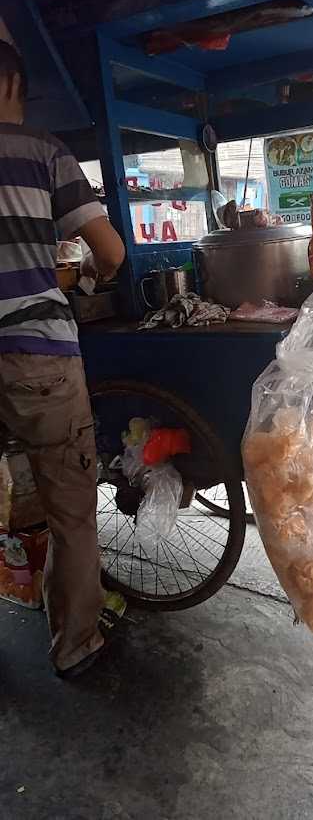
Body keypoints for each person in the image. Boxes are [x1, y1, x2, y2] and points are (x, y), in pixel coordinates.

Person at [0, 39, 126, 677]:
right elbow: (110, 252)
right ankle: (75, 646)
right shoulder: (43, 153)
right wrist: (91, 282)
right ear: (15, 85)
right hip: (37, 359)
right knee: (70, 506)